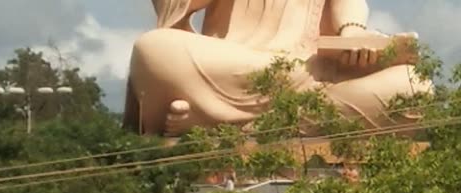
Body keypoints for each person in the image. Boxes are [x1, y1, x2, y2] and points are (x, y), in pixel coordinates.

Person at [123, 0, 431, 136]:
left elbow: (348, 6)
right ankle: (276, 125)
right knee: (153, 51)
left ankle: (221, 126)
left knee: (415, 87)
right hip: (237, 65)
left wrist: (352, 34)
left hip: (313, 71)